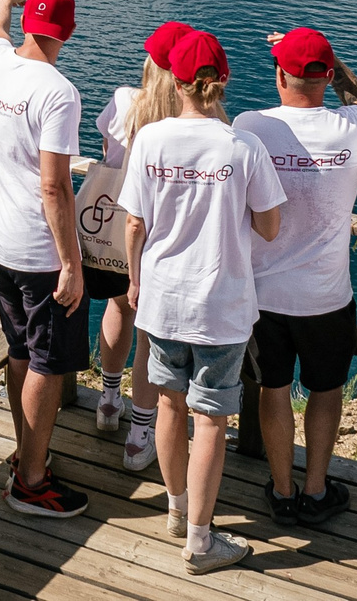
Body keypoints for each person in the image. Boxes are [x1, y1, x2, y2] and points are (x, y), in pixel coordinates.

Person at [121, 29, 286, 576]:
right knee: (211, 419)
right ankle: (199, 540)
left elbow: (135, 223)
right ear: (223, 81)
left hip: (162, 297)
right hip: (221, 304)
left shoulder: (151, 139)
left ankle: (176, 510)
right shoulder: (243, 146)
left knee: (168, 404)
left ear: (175, 82)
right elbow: (269, 226)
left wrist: (135, 280)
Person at [234, 26, 357, 525]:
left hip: (262, 294)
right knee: (325, 390)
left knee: (272, 389)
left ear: (279, 76)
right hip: (326, 296)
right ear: (327, 77)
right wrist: (336, 66)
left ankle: (282, 490)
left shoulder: (251, 126)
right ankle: (316, 491)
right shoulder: (353, 127)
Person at [0, 0, 89, 518]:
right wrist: (71, 262)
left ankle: (26, 454)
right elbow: (54, 186)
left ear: (26, 22)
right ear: (69, 32)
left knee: (20, 350)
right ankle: (31, 483)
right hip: (39, 251)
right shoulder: (58, 93)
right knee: (47, 360)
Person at [86, 20, 188, 471]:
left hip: (116, 231)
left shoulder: (124, 101)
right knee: (150, 333)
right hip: (164, 236)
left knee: (117, 308)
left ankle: (109, 401)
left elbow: (106, 151)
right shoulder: (184, 125)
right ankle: (139, 436)